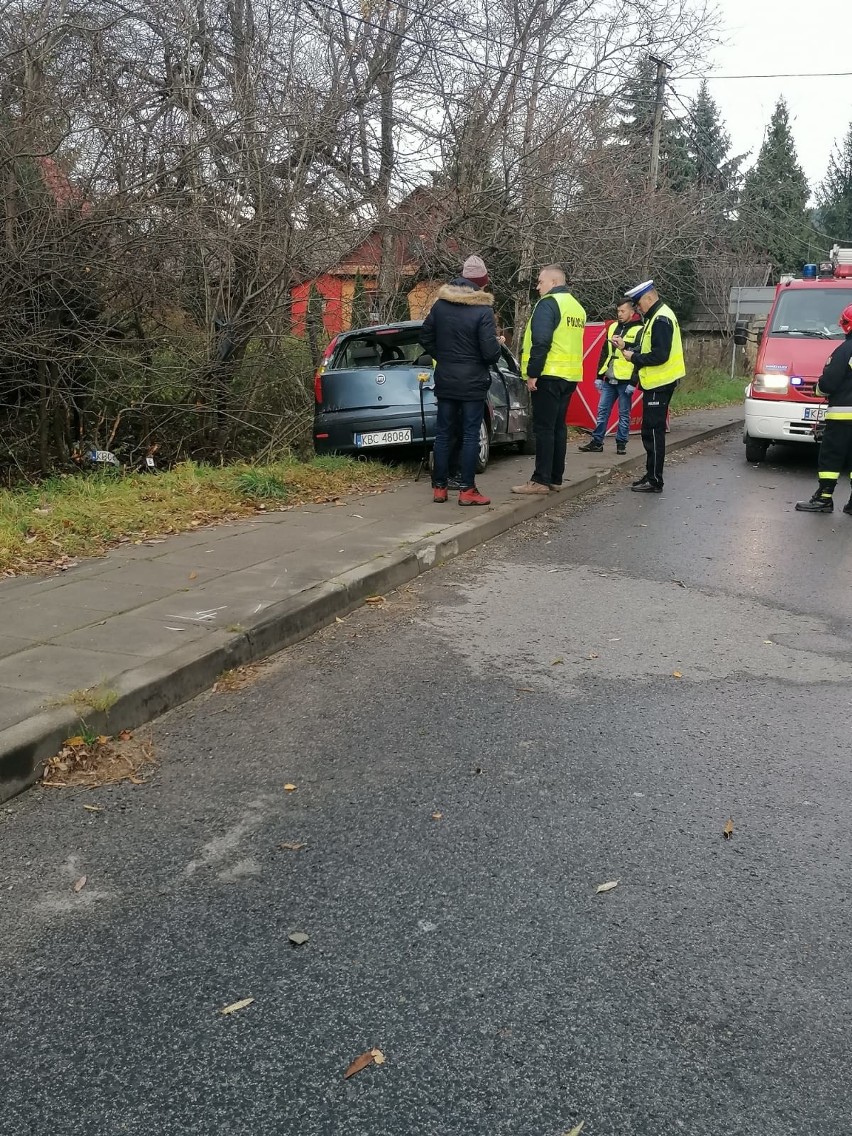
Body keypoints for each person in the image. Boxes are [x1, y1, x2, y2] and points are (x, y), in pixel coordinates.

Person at [419, 255, 501, 506]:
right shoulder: (482, 310)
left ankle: (440, 488)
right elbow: (489, 353)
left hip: (446, 378)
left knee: (443, 434)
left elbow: (425, 336)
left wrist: (441, 356)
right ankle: (467, 490)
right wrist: (496, 347)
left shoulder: (441, 305)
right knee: (469, 435)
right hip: (473, 380)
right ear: (481, 283)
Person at [512, 264, 586, 495]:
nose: (537, 287)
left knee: (544, 428)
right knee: (558, 427)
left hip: (549, 374)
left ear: (554, 283)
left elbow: (541, 341)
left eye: (540, 282)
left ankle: (540, 480)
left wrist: (533, 372)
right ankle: (555, 477)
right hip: (570, 375)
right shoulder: (576, 307)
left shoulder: (548, 304)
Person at [615, 279, 685, 494]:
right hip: (656, 382)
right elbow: (650, 346)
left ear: (649, 298)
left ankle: (655, 479)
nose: (638, 308)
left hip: (660, 382)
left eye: (638, 304)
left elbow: (659, 355)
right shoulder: (656, 315)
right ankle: (651, 473)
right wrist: (626, 346)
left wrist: (634, 357)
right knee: (649, 430)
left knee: (653, 433)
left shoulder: (661, 318)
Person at [795, 302, 852, 514]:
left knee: (831, 456)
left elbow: (828, 383)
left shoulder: (844, 350)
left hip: (843, 417)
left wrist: (818, 389)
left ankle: (824, 498)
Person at [579, 297, 642, 455]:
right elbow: (605, 353)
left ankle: (621, 444)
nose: (619, 314)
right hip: (609, 376)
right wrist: (599, 376)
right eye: (618, 311)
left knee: (624, 414)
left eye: (623, 311)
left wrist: (633, 382)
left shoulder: (640, 330)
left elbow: (640, 356)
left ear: (632, 312)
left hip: (625, 379)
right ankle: (597, 441)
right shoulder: (613, 326)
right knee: (602, 411)